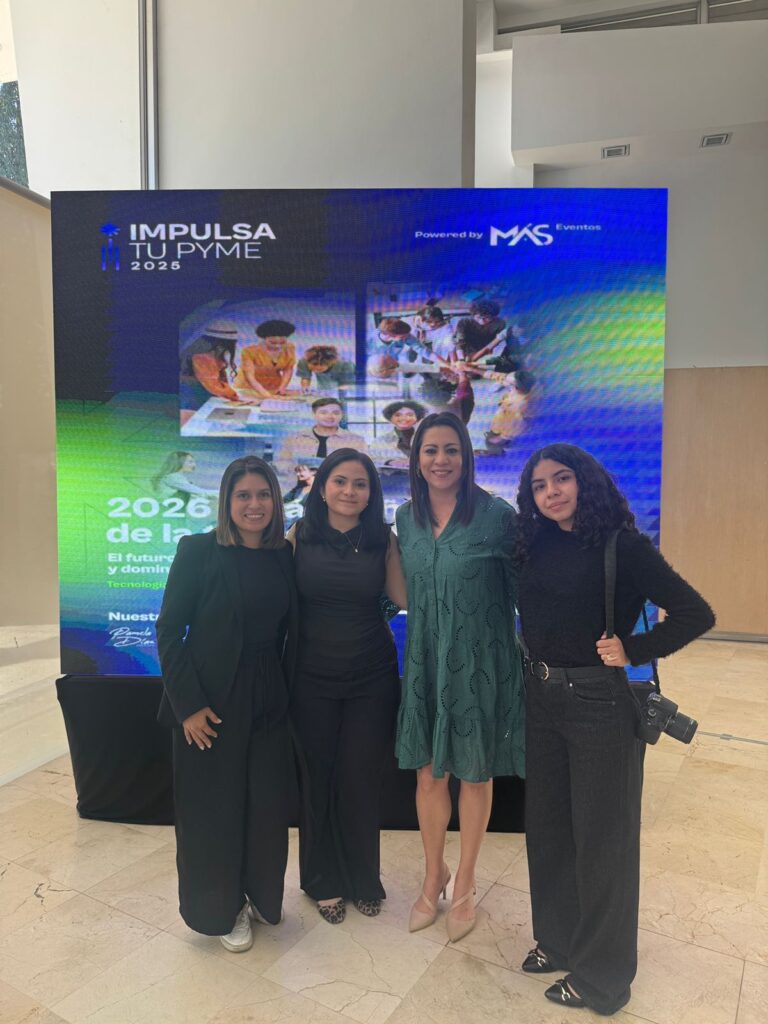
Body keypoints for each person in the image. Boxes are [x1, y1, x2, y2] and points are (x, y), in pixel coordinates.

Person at [514, 443, 715, 1016]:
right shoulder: (533, 542)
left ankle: (602, 978)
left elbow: (696, 613)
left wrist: (633, 649)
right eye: (539, 485)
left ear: (586, 481)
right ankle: (558, 942)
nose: (551, 492)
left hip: (599, 705)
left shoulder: (622, 545)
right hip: (541, 698)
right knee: (549, 832)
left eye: (561, 479)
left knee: (603, 842)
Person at [156, 456, 298, 953]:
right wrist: (188, 706)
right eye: (243, 495)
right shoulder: (198, 550)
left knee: (265, 805)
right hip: (211, 702)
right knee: (214, 810)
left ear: (275, 501)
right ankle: (223, 907)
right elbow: (169, 630)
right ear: (227, 502)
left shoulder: (283, 555)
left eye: (263, 495)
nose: (254, 505)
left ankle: (259, 893)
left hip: (269, 698)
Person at [395, 412, 525, 942]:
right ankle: (435, 875)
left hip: (480, 666)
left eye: (451, 449)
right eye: (430, 450)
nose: (441, 460)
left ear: (467, 456)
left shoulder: (498, 517)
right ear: (416, 459)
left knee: (474, 773)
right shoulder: (405, 517)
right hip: (425, 662)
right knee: (428, 775)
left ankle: (466, 881)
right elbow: (397, 589)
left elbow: (529, 591)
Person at [289, 449, 407, 923]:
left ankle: (363, 878)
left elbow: (402, 597)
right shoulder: (299, 534)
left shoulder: (383, 538)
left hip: (371, 677)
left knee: (360, 780)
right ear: (321, 487)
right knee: (318, 779)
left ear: (371, 493)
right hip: (309, 677)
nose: (349, 491)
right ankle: (323, 881)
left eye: (360, 484)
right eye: (340, 481)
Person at [275, 397, 367, 483]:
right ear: (314, 414)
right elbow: (280, 464)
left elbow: (366, 467)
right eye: (323, 413)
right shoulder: (294, 439)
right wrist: (297, 469)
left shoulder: (356, 441)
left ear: (341, 415)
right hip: (301, 488)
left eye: (335, 413)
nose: (330, 416)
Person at [180, 320, 240, 419]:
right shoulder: (202, 357)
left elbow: (219, 382)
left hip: (197, 397)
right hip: (192, 400)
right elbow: (213, 385)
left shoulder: (209, 353)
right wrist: (233, 394)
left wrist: (230, 392)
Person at [235, 319, 297, 400]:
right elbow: (250, 377)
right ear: (264, 339)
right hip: (248, 388)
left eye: (282, 343)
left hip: (274, 387)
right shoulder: (249, 352)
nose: (278, 346)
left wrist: (282, 387)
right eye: (273, 343)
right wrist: (267, 395)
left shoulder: (289, 348)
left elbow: (288, 369)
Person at [370, 400, 427, 468]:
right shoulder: (379, 441)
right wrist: (389, 462)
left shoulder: (427, 437)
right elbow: (371, 461)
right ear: (390, 418)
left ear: (417, 418)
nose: (404, 418)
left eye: (409, 415)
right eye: (398, 415)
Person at [152, 452, 217, 500]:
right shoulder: (173, 477)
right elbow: (201, 492)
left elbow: (196, 495)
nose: (194, 465)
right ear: (180, 462)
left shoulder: (173, 477)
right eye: (190, 462)